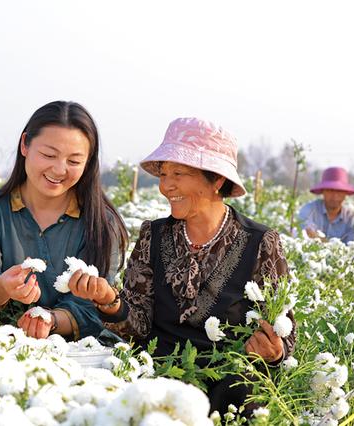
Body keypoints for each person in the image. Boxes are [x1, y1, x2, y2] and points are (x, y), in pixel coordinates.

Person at [67, 117, 296, 413]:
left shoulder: (260, 243)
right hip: (157, 375)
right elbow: (138, 326)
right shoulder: (153, 235)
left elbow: (284, 331)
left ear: (217, 180)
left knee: (241, 391)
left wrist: (274, 352)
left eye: (179, 173)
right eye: (163, 174)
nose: (166, 185)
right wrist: (110, 302)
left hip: (225, 387)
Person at [0, 100, 128, 341]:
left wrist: (50, 321)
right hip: (0, 343)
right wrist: (4, 286)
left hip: (82, 352)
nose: (59, 169)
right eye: (49, 155)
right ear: (25, 144)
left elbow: (89, 310)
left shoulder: (101, 223)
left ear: (88, 163)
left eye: (74, 161)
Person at [298, 167, 354, 243]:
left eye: (340, 191)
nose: (335, 196)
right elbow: (304, 235)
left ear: (345, 193)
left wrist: (319, 239)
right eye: (330, 190)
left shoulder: (350, 216)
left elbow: (351, 244)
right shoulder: (309, 210)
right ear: (323, 191)